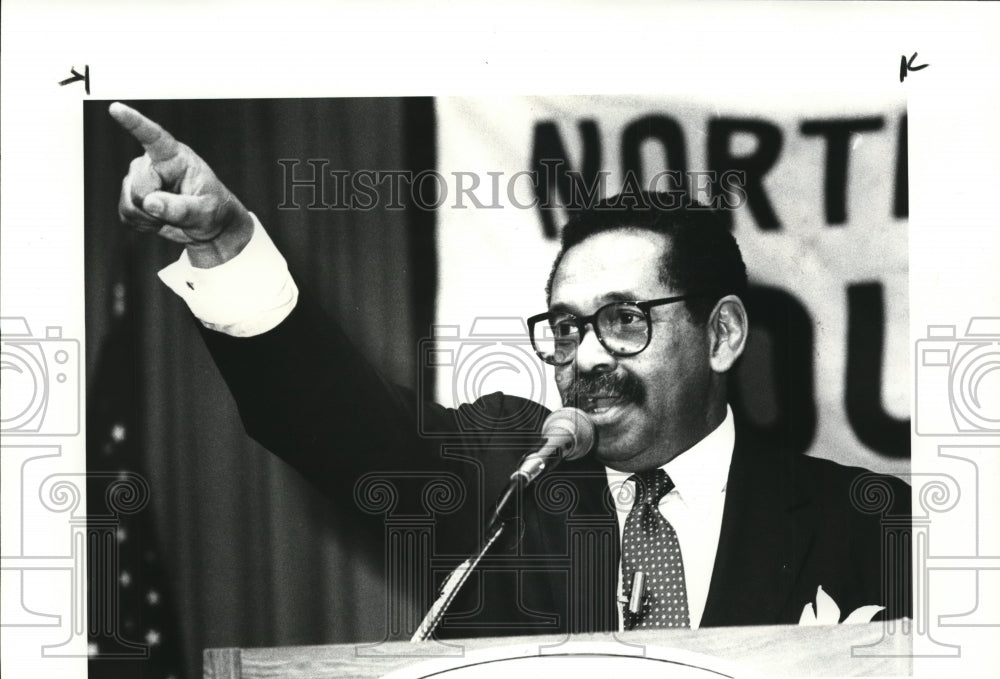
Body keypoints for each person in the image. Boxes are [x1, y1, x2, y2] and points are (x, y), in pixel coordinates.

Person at [110, 102, 912, 640]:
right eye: (566, 328)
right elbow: (329, 425)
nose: (587, 356)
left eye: (624, 321)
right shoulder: (508, 474)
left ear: (724, 334)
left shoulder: (872, 525)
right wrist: (223, 247)